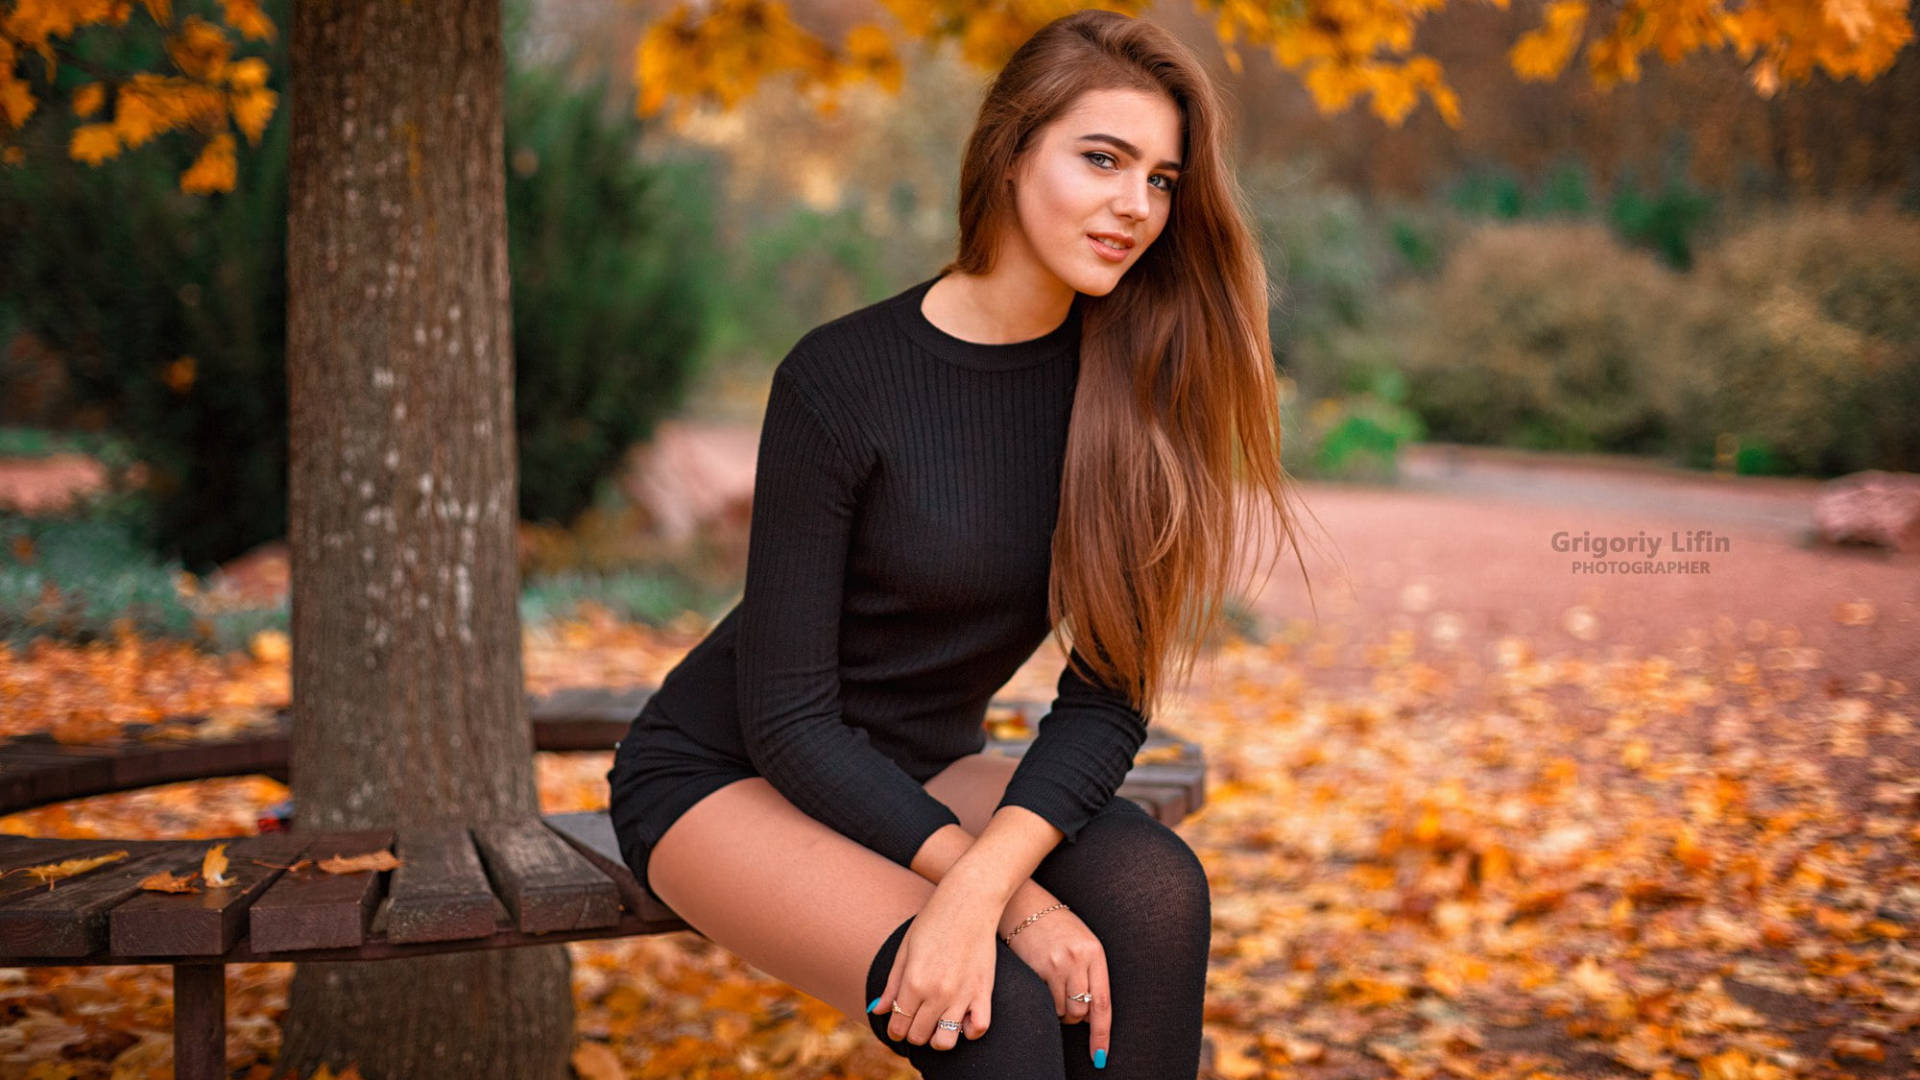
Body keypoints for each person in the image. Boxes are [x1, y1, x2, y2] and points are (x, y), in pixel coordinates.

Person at [605, 8, 1315, 1076]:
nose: (1136, 204)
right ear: (1011, 150)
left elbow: (1110, 693)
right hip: (729, 774)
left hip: (927, 766)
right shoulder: (841, 379)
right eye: (1102, 159)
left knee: (1157, 897)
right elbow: (790, 716)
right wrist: (1003, 903)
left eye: (1163, 179)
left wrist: (991, 885)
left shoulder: (1135, 385)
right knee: (1000, 1012)